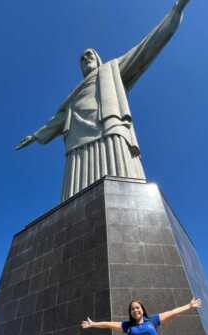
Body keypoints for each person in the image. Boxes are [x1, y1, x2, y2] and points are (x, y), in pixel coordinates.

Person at [16, 0, 192, 201]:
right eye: (82, 59)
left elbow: (146, 47)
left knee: (122, 181)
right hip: (77, 141)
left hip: (108, 126)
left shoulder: (112, 69)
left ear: (98, 58)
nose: (85, 59)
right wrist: (36, 136)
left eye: (89, 55)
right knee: (75, 193)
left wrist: (175, 12)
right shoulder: (73, 96)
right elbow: (59, 118)